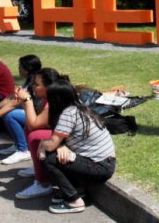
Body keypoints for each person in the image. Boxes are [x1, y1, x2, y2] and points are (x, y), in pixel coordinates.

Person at [0, 68, 69, 200]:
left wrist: (27, 100)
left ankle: (43, 183)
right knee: (27, 127)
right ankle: (37, 166)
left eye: (37, 84)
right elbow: (14, 102)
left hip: (69, 140)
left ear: (48, 87)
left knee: (35, 135)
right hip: (59, 135)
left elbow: (33, 124)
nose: (33, 86)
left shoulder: (54, 100)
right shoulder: (46, 95)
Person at [38, 80, 116, 214]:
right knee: (59, 155)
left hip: (99, 166)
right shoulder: (79, 107)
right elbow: (58, 139)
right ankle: (77, 190)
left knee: (48, 158)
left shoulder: (68, 114)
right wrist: (60, 145)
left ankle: (74, 201)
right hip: (106, 162)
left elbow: (50, 146)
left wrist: (42, 143)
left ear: (55, 100)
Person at [0, 55, 42, 165]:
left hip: (39, 118)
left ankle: (23, 150)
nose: (18, 68)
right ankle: (19, 144)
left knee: (10, 115)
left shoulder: (33, 84)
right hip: (34, 115)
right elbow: (11, 98)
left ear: (27, 69)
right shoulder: (29, 81)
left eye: (20, 66)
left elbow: (13, 103)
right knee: (9, 112)